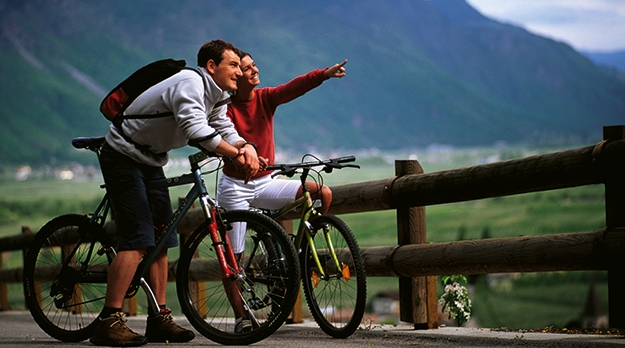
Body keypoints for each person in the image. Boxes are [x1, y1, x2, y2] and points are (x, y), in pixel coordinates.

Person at [90, 40, 262, 347]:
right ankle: (108, 321)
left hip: (151, 158)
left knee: (162, 237)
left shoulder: (218, 95)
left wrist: (245, 146)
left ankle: (159, 319)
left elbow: (223, 127)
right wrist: (235, 155)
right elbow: (196, 130)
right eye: (233, 65)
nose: (240, 71)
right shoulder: (190, 83)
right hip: (122, 154)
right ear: (212, 66)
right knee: (138, 238)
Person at [217, 52, 347, 288]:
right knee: (233, 262)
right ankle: (241, 320)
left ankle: (300, 255)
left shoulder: (266, 97)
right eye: (247, 69)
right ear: (237, 76)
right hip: (236, 187)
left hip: (267, 182)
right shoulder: (225, 109)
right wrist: (247, 160)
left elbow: (293, 88)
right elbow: (225, 144)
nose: (255, 70)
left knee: (321, 193)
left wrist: (323, 75)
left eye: (254, 65)